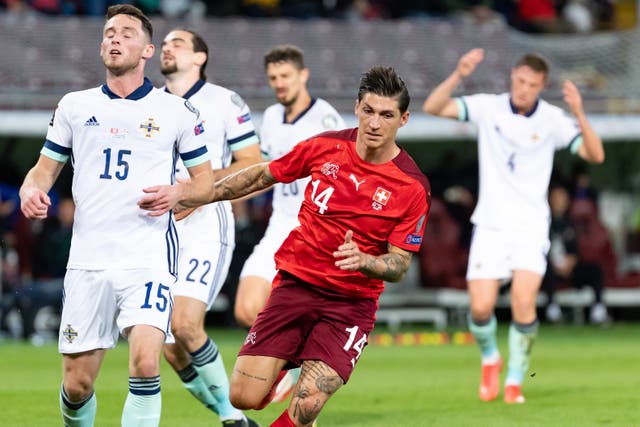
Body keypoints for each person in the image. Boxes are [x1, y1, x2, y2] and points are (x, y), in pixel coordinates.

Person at [142, 66, 431, 427]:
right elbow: (263, 173)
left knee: (307, 404)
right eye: (369, 111)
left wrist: (366, 261)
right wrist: (199, 194)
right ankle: (290, 364)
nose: (375, 123)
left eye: (387, 115)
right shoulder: (326, 147)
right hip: (295, 287)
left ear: (403, 119)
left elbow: (400, 263)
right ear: (357, 107)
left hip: (350, 305)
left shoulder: (412, 186)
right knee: (243, 397)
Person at [19, 5, 214, 426]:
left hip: (148, 257)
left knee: (145, 363)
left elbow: (206, 183)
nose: (114, 38)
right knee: (77, 387)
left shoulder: (176, 111)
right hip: (89, 260)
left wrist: (179, 191)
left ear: (146, 50)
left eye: (125, 33)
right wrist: (30, 189)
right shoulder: (74, 106)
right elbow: (44, 169)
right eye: (109, 32)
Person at [423, 48, 605, 404]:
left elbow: (595, 155)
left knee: (524, 303)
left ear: (541, 86)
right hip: (490, 225)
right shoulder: (488, 107)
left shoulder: (552, 119)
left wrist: (580, 113)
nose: (524, 89)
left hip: (530, 227)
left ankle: (515, 381)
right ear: (512, 77)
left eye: (532, 84)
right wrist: (458, 74)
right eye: (520, 81)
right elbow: (433, 107)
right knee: (480, 309)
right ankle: (490, 358)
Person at [159, 28, 261, 427]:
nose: (167, 48)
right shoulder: (149, 104)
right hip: (159, 228)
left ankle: (234, 420)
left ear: (200, 57)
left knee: (185, 324)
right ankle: (230, 415)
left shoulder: (224, 102)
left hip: (204, 223)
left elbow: (252, 161)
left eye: (178, 43)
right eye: (163, 44)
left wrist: (194, 189)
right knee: (170, 349)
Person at [233, 44, 346, 403]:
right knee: (246, 308)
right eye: (273, 78)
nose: (279, 84)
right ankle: (292, 368)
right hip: (278, 228)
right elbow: (265, 172)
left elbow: (346, 181)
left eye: (285, 76)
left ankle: (294, 380)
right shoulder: (269, 117)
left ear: (303, 75)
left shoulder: (326, 121)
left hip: (314, 235)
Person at [542, 182, 608, 324]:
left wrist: (572, 261)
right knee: (545, 269)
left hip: (569, 268)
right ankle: (552, 309)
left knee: (595, 270)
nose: (559, 202)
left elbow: (576, 250)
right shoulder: (541, 221)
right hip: (550, 269)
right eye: (556, 198)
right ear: (549, 199)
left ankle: (598, 309)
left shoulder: (571, 223)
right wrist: (553, 263)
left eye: (562, 198)